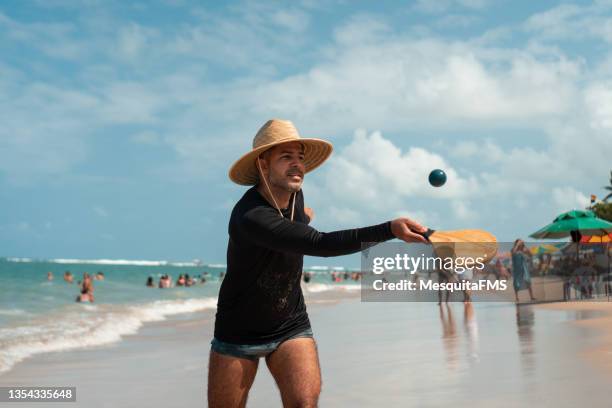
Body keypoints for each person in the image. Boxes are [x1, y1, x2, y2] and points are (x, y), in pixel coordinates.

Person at [208, 119, 428, 407]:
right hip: (237, 332)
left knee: (304, 404)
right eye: (286, 157)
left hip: (290, 325)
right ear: (263, 164)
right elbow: (318, 244)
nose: (297, 165)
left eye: (299, 157)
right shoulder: (251, 216)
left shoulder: (295, 194)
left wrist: (304, 218)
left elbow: (296, 223)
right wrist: (389, 229)